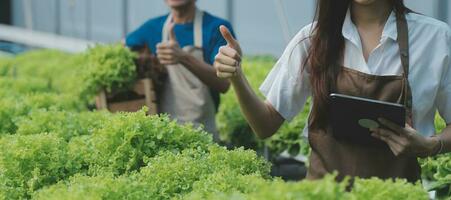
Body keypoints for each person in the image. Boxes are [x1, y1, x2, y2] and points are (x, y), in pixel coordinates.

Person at [214, 0, 451, 182]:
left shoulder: (435, 38)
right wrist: (237, 76)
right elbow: (265, 124)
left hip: (396, 194)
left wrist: (432, 145)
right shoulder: (313, 39)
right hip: (324, 192)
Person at [126, 0, 235, 141]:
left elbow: (224, 83)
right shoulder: (152, 28)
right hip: (162, 134)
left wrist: (184, 57)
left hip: (202, 135)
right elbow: (121, 49)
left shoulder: (216, 28)